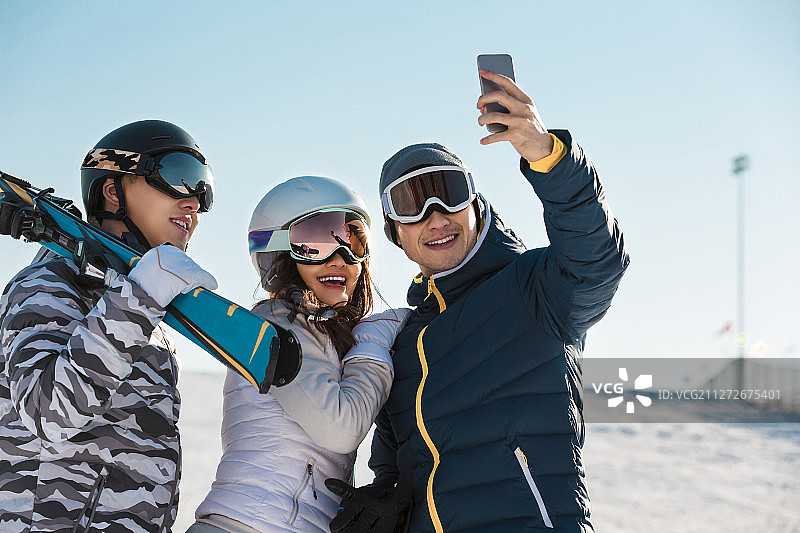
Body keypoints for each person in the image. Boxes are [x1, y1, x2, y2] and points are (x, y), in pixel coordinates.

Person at [326, 69, 630, 532]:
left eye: (449, 194)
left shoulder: (533, 292)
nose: (436, 218)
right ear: (396, 234)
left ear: (475, 205)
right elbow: (395, 472)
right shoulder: (402, 345)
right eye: (411, 205)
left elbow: (597, 261)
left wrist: (549, 158)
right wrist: (386, 504)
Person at [0, 120, 218, 532]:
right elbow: (47, 411)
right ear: (112, 191)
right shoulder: (48, 284)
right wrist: (142, 296)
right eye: (178, 176)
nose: (194, 202)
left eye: (203, 187)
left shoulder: (138, 310)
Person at [189, 176, 409, 533]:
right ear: (280, 253)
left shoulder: (325, 333)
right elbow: (340, 428)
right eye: (316, 242)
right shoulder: (276, 326)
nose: (340, 258)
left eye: (353, 240)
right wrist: (373, 344)